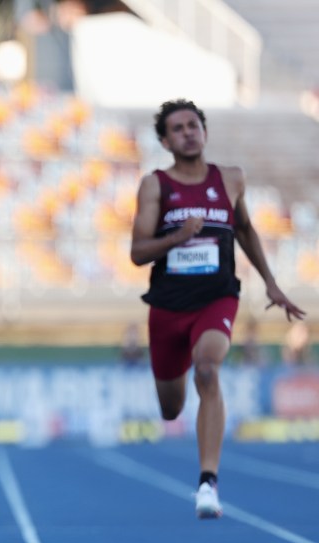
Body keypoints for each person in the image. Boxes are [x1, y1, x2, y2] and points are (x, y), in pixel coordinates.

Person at [130, 99, 305, 519]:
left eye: (194, 125)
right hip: (168, 305)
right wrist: (176, 238)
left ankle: (207, 482)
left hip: (217, 296)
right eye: (178, 128)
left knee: (208, 369)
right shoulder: (156, 185)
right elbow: (137, 253)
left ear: (204, 132)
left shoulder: (230, 179)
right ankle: (181, 394)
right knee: (170, 406)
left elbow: (244, 228)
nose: (188, 132)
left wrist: (271, 283)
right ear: (165, 140)